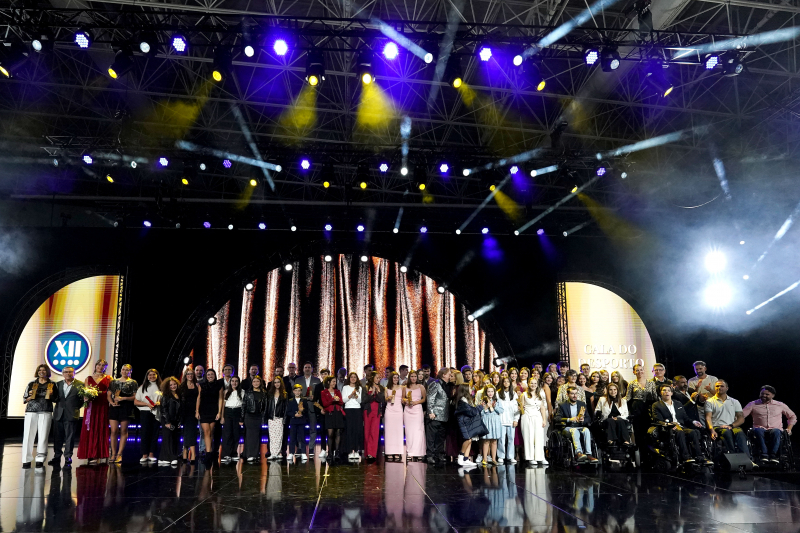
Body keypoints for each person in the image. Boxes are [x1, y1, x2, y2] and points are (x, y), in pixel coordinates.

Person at [652, 385, 709, 464]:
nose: (666, 392)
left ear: (672, 393)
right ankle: (686, 457)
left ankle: (700, 457)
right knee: (680, 433)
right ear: (660, 393)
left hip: (681, 426)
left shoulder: (678, 403)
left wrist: (693, 422)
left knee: (693, 432)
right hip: (669, 429)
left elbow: (685, 418)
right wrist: (668, 424)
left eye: (669, 390)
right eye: (664, 390)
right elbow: (658, 420)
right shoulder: (657, 405)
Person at [742, 385, 796, 464]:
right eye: (762, 394)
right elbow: (741, 416)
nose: (764, 395)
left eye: (767, 394)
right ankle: (764, 454)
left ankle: (773, 455)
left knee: (776, 432)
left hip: (775, 429)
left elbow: (792, 416)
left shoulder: (780, 405)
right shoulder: (753, 404)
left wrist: (789, 428)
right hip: (759, 428)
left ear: (773, 395)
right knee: (758, 431)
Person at [705, 379, 753, 462]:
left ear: (727, 388)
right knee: (726, 432)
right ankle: (733, 458)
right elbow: (708, 417)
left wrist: (731, 425)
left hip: (731, 426)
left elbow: (741, 418)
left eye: (722, 386)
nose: (719, 388)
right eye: (717, 386)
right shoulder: (709, 402)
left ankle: (747, 459)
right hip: (717, 426)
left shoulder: (734, 401)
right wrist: (712, 430)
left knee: (740, 432)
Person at [22, 364, 58, 468]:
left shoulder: (52, 384)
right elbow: (24, 399)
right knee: (28, 435)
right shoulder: (31, 383)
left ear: (47, 372)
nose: (41, 372)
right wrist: (29, 395)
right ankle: (26, 459)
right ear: (37, 372)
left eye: (44, 370)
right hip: (31, 411)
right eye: (39, 370)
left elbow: (56, 399)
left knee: (43, 436)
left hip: (45, 411)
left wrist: (51, 394)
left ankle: (40, 459)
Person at [77, 359, 111, 464]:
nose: (100, 367)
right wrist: (86, 396)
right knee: (90, 428)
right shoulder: (88, 378)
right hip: (91, 406)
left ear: (105, 368)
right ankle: (90, 454)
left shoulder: (109, 378)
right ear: (96, 366)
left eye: (103, 366)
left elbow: (111, 392)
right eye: (99, 365)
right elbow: (85, 391)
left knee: (101, 427)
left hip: (102, 406)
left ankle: (99, 453)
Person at [554, 386, 598, 463]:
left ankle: (589, 454)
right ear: (567, 394)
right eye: (572, 394)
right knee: (574, 431)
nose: (574, 396)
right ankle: (578, 453)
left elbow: (588, 418)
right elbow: (557, 418)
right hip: (568, 427)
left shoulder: (582, 404)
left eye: (576, 394)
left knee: (586, 430)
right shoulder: (562, 405)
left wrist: (583, 420)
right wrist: (569, 419)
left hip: (579, 426)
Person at [50, 366, 83, 467]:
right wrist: (51, 395)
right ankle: (57, 456)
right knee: (57, 437)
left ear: (74, 373)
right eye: (66, 372)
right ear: (63, 374)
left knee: (70, 437)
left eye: (70, 372)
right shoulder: (57, 384)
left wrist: (75, 408)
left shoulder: (80, 384)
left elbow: (82, 400)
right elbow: (55, 399)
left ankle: (68, 456)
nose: (68, 374)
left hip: (71, 414)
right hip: (58, 414)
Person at [107, 364, 137, 464]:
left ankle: (119, 454)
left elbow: (135, 397)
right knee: (114, 431)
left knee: (123, 430)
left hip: (126, 408)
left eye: (127, 370)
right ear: (120, 370)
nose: (124, 371)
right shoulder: (114, 381)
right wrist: (111, 403)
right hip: (115, 408)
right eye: (123, 369)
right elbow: (109, 395)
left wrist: (123, 398)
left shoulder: (133, 382)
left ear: (130, 371)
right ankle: (113, 453)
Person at [134, 369, 162, 464]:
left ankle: (151, 454)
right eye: (150, 375)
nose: (152, 376)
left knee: (155, 433)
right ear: (147, 376)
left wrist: (159, 403)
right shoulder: (142, 387)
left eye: (154, 374)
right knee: (145, 433)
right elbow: (136, 402)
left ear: (157, 376)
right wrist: (147, 404)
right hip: (145, 412)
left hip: (157, 412)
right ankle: (144, 454)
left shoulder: (161, 387)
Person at [197, 368, 224, 463]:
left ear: (215, 375)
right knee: (206, 432)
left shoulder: (219, 385)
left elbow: (220, 399)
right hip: (203, 410)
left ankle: (210, 450)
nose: (210, 376)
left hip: (213, 411)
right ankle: (208, 453)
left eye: (212, 374)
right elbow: (199, 398)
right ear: (206, 376)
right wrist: (197, 411)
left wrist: (219, 412)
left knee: (211, 432)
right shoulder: (201, 385)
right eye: (208, 374)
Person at [426, 367, 451, 465]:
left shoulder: (448, 385)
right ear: (443, 375)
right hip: (435, 415)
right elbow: (430, 398)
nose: (450, 375)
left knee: (441, 437)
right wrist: (431, 412)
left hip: (444, 416)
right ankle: (430, 455)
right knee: (432, 436)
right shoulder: (435, 384)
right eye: (449, 374)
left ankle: (439, 454)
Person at [521, 377, 548, 466]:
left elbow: (542, 408)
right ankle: (530, 458)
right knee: (529, 437)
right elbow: (521, 407)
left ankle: (540, 457)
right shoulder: (524, 394)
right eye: (531, 383)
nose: (533, 385)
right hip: (527, 417)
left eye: (535, 383)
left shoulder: (540, 394)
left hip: (538, 417)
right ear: (528, 384)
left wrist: (544, 419)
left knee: (539, 438)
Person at [454, 384, 483, 467]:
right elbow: (471, 412)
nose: (471, 389)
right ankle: (461, 456)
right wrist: (480, 407)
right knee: (468, 439)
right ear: (466, 390)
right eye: (470, 388)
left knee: (470, 439)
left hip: (468, 422)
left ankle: (466, 459)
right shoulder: (462, 401)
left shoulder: (467, 399)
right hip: (463, 422)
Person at [594, 383, 631, 447]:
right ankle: (611, 440)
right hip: (607, 419)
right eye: (610, 390)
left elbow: (626, 413)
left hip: (620, 419)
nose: (613, 391)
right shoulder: (602, 399)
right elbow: (596, 411)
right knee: (610, 420)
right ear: (608, 391)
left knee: (620, 421)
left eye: (614, 389)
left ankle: (626, 441)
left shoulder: (623, 401)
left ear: (617, 390)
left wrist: (618, 417)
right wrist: (599, 413)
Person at [296, 362, 321, 454]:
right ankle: (300, 447)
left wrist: (314, 397)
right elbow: (294, 392)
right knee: (300, 428)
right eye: (305, 367)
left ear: (312, 369)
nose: (307, 369)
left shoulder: (317, 380)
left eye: (309, 367)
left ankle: (311, 448)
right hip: (301, 406)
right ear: (303, 369)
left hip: (312, 407)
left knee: (313, 428)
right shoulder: (298, 380)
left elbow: (319, 394)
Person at [403, 369, 427, 461]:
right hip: (408, 410)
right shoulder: (405, 387)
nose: (413, 378)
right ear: (409, 377)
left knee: (418, 431)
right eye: (412, 376)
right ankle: (410, 452)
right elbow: (402, 398)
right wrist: (406, 401)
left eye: (415, 376)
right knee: (409, 432)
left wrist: (415, 402)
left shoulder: (421, 387)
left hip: (417, 410)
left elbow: (424, 399)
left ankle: (419, 452)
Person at [242, 375, 267, 462]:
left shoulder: (264, 393)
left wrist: (263, 418)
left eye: (257, 381)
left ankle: (255, 454)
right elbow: (243, 406)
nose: (256, 383)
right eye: (254, 381)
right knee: (250, 435)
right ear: (252, 383)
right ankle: (250, 454)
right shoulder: (248, 393)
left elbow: (265, 407)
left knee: (256, 436)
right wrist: (241, 418)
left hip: (258, 416)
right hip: (249, 416)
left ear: (260, 383)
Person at [321, 376, 345, 461]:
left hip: (338, 413)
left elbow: (341, 402)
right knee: (330, 434)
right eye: (333, 381)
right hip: (329, 414)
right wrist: (333, 400)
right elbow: (325, 404)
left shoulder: (337, 391)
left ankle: (337, 452)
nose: (335, 383)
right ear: (328, 382)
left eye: (335, 381)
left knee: (338, 433)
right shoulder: (324, 392)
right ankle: (330, 453)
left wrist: (337, 400)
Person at [496, 376, 520, 464]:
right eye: (504, 381)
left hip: (511, 420)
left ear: (510, 383)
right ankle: (501, 456)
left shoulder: (514, 394)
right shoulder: (498, 393)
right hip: (501, 420)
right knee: (501, 439)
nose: (506, 383)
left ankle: (510, 456)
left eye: (508, 381)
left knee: (511, 439)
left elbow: (517, 408)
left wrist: (516, 419)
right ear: (502, 383)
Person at [158, 377, 181, 466]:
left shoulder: (179, 395)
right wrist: (167, 422)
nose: (173, 386)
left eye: (174, 384)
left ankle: (163, 458)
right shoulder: (166, 396)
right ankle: (172, 457)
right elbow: (164, 409)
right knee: (168, 438)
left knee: (173, 438)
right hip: (167, 420)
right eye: (171, 385)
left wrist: (179, 421)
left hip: (175, 420)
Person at [220, 376, 244, 463]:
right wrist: (222, 417)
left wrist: (242, 418)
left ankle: (234, 453)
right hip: (228, 412)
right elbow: (223, 406)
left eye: (236, 381)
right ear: (230, 382)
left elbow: (243, 406)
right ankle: (226, 454)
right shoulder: (226, 392)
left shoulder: (242, 392)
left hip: (237, 412)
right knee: (227, 434)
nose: (234, 383)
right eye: (232, 381)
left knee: (236, 434)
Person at [178, 369, 200, 463]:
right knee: (186, 432)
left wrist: (197, 411)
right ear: (185, 375)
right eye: (188, 374)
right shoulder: (181, 386)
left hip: (194, 411)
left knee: (192, 432)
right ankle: (187, 451)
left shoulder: (197, 385)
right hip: (184, 411)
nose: (190, 375)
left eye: (191, 374)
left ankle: (190, 453)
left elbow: (199, 398)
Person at [342, 372, 364, 461]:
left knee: (357, 430)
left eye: (355, 377)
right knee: (349, 430)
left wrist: (356, 396)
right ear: (349, 378)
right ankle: (350, 451)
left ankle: (356, 450)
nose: (353, 379)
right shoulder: (345, 387)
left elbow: (360, 401)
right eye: (351, 377)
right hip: (348, 410)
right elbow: (343, 400)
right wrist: (351, 395)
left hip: (357, 410)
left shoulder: (359, 388)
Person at [479, 385, 504, 465]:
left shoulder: (497, 401)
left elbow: (501, 410)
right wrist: (486, 407)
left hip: (495, 421)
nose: (490, 393)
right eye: (488, 391)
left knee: (494, 440)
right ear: (486, 392)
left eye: (492, 391)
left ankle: (493, 459)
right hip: (487, 421)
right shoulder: (483, 401)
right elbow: (480, 413)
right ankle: (485, 459)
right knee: (486, 440)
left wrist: (494, 406)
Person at [363, 371, 384, 460]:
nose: (379, 379)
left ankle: (372, 453)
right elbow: (364, 400)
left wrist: (378, 393)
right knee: (367, 432)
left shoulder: (381, 388)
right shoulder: (366, 387)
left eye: (379, 378)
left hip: (376, 412)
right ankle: (367, 452)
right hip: (368, 411)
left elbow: (381, 400)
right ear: (372, 378)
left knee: (374, 432)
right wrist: (372, 394)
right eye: (377, 378)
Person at [265, 376, 287, 460]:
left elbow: (286, 408)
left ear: (281, 383)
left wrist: (284, 418)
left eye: (278, 382)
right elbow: (267, 406)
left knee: (279, 436)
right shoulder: (270, 394)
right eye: (275, 382)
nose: (277, 384)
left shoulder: (284, 394)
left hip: (279, 417)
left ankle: (277, 453)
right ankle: (273, 453)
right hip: (271, 417)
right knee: (272, 436)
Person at [384, 372, 404, 461]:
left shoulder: (402, 388)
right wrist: (388, 398)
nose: (396, 379)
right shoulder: (386, 388)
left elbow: (403, 398)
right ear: (391, 379)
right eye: (394, 378)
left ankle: (397, 452)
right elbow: (385, 399)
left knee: (398, 431)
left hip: (398, 411)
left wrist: (405, 400)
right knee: (389, 431)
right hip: (389, 411)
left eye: (397, 378)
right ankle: (389, 452)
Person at [285, 384, 309, 461]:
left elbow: (307, 410)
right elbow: (288, 412)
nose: (297, 392)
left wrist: (303, 411)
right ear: (293, 391)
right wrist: (294, 415)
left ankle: (303, 452)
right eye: (296, 391)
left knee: (302, 437)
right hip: (293, 421)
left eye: (299, 391)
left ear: (301, 392)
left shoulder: (304, 400)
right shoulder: (290, 401)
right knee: (292, 438)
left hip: (301, 421)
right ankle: (291, 453)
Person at [313, 368, 331, 459]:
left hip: (331, 412)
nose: (324, 375)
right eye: (323, 374)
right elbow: (315, 401)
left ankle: (331, 450)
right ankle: (323, 449)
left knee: (331, 432)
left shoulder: (333, 385)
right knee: (323, 431)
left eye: (326, 374)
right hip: (322, 412)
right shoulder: (318, 386)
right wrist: (320, 410)